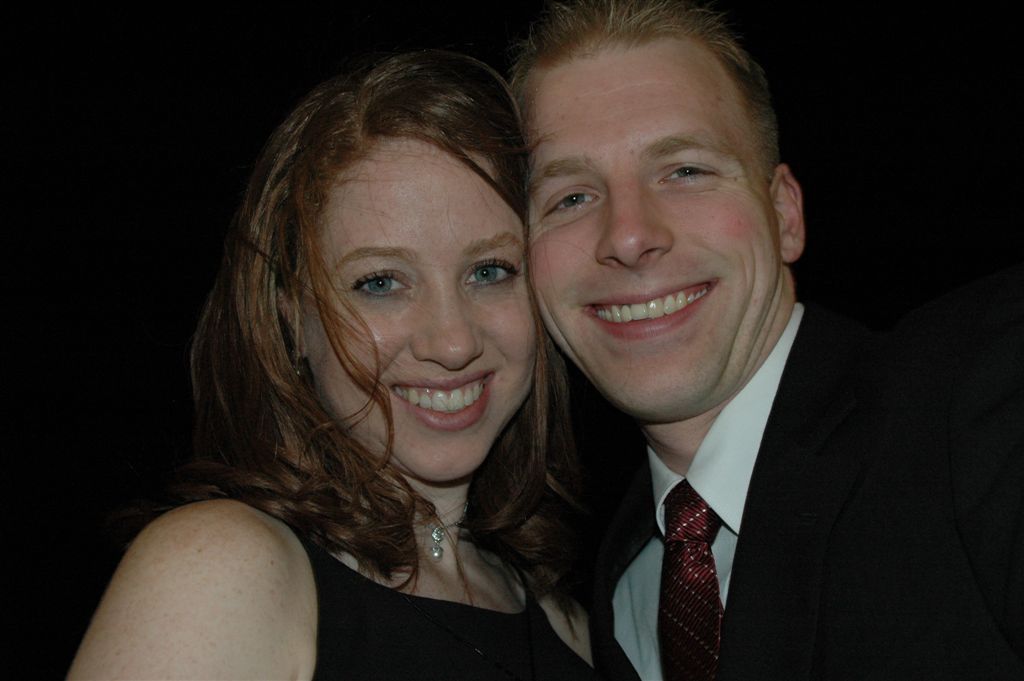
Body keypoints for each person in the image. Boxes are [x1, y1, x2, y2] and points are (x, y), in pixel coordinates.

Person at [510, 1, 1024, 679]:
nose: (629, 236)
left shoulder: (980, 390)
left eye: (685, 170)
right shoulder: (615, 588)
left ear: (784, 214)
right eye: (571, 198)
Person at [67, 49, 594, 680]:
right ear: (291, 315)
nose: (453, 342)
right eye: (380, 282)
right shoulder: (220, 570)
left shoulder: (569, 628)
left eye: (489, 271)